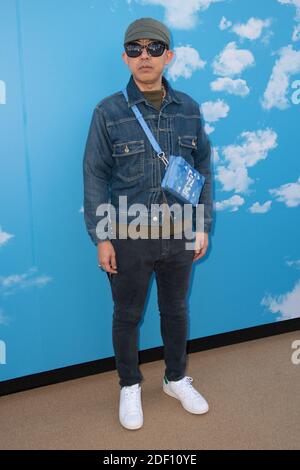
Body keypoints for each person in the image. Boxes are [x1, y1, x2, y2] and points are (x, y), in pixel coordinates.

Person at [83, 17, 213, 430]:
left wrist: (202, 223)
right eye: (136, 49)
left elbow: (202, 167)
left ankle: (175, 378)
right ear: (125, 58)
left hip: (177, 235)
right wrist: (101, 237)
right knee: (127, 314)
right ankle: (129, 385)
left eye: (154, 49)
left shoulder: (190, 109)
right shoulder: (107, 111)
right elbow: (94, 175)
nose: (145, 56)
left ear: (168, 56)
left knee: (175, 311)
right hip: (128, 237)